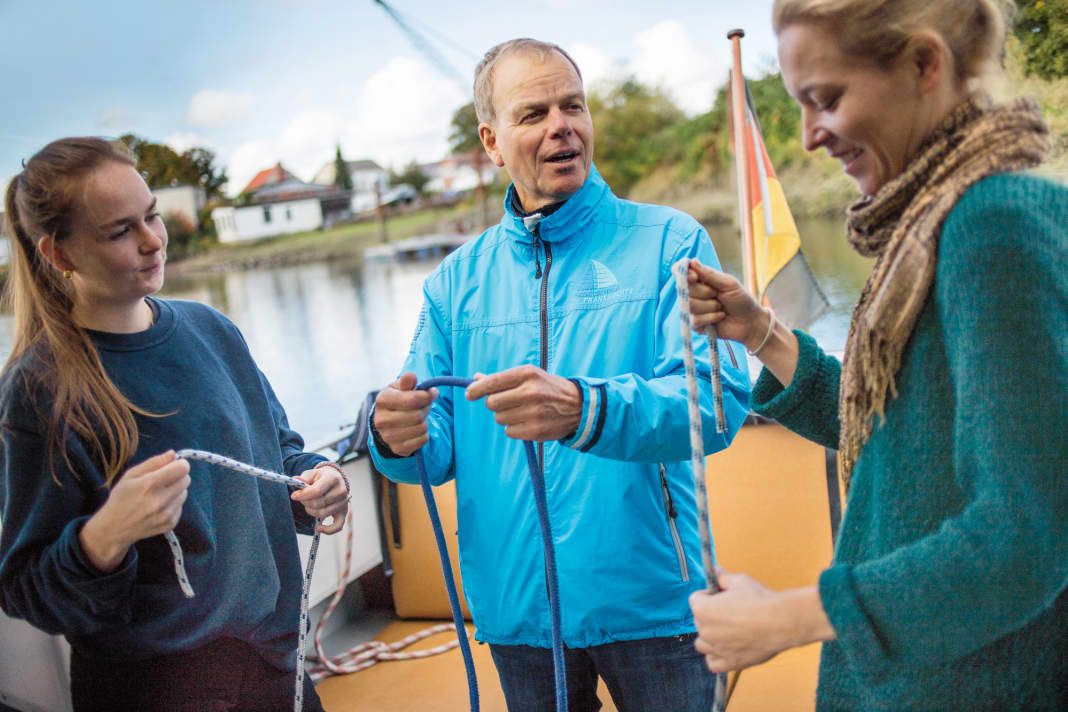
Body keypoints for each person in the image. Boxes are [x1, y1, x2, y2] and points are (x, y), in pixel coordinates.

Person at [687, 1, 1068, 710]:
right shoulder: (935, 224)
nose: (806, 137)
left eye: (825, 99)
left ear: (926, 64)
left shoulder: (992, 226)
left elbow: (1027, 537)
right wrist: (762, 335)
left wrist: (786, 619)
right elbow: (904, 435)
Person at [368, 38, 751, 712]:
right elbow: (435, 450)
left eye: (573, 106)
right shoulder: (454, 284)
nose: (561, 126)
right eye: (533, 113)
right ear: (491, 142)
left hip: (655, 603)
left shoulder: (671, 242)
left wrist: (584, 410)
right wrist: (394, 438)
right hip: (518, 614)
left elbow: (715, 403)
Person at [0, 137, 350, 711]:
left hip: (273, 666)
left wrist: (317, 481)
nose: (151, 241)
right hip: (151, 689)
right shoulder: (39, 390)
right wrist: (105, 535)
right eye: (119, 232)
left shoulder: (212, 330)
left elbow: (280, 457)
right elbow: (26, 589)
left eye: (152, 215)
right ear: (60, 255)